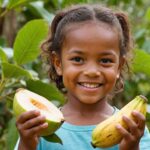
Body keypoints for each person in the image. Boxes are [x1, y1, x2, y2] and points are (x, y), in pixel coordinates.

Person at [14, 4, 150, 150]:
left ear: (119, 66)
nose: (92, 71)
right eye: (78, 59)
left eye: (105, 61)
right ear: (58, 63)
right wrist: (27, 144)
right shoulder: (40, 127)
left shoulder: (131, 129)